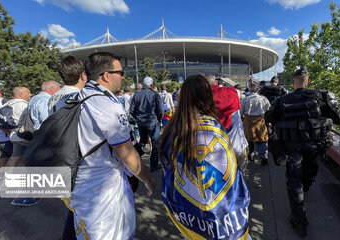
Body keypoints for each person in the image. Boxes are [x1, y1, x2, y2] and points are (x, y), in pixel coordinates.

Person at [68, 52, 155, 240]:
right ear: (107, 75)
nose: (124, 77)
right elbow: (127, 153)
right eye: (121, 72)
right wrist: (147, 178)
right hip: (104, 189)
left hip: (79, 182)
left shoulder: (76, 98)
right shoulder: (106, 104)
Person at [159, 75, 250, 240]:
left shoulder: (173, 127)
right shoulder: (215, 126)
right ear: (208, 96)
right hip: (225, 219)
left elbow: (168, 167)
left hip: (191, 213)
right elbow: (231, 177)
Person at [265, 68, 340, 237]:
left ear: (293, 83)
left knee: (294, 182)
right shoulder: (320, 97)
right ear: (308, 82)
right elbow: (339, 118)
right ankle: (306, 187)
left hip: (292, 147)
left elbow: (269, 119)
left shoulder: (281, 100)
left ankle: (299, 222)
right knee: (310, 171)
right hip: (315, 146)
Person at [205, 75, 249, 174]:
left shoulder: (200, 101)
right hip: (237, 146)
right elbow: (237, 89)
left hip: (215, 152)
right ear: (216, 83)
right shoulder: (233, 93)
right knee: (239, 180)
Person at [130, 76, 164, 171]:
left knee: (142, 142)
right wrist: (159, 119)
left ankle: (136, 163)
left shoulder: (137, 95)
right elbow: (161, 110)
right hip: (153, 121)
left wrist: (137, 118)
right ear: (152, 84)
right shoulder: (155, 95)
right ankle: (153, 165)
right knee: (154, 144)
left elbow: (131, 110)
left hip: (141, 122)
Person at [240, 82, 270, 165]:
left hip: (248, 121)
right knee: (261, 138)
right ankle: (263, 156)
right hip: (260, 121)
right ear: (257, 89)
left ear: (249, 90)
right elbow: (268, 110)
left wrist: (242, 118)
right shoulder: (263, 99)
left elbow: (241, 112)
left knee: (249, 139)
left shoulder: (245, 99)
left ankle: (251, 154)